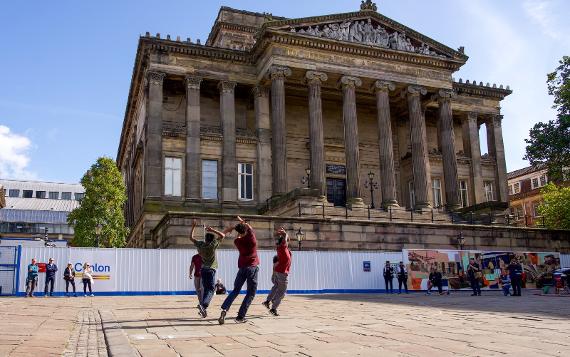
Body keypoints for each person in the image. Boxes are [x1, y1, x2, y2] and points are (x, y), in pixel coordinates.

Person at [219, 216, 260, 324]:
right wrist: (242, 222)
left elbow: (240, 234)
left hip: (242, 268)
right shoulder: (251, 238)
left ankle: (224, 309)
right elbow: (248, 227)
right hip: (252, 268)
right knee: (251, 293)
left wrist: (233, 228)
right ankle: (240, 316)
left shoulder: (237, 242)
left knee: (235, 290)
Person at [189, 219, 228, 318]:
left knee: (206, 289)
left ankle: (203, 308)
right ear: (211, 239)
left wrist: (193, 226)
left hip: (203, 270)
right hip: (211, 270)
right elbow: (223, 235)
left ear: (205, 239)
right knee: (210, 289)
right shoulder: (212, 245)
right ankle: (203, 305)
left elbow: (191, 238)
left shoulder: (201, 245)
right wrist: (212, 230)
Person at [263, 227, 292, 316]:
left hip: (280, 271)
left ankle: (268, 301)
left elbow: (287, 240)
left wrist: (284, 235)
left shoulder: (283, 248)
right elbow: (286, 240)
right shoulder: (282, 248)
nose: (287, 242)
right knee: (282, 292)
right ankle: (273, 308)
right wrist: (285, 233)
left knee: (276, 287)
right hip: (282, 273)